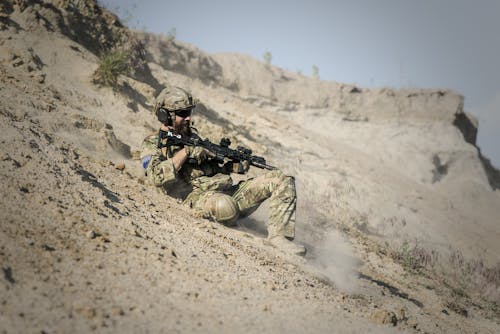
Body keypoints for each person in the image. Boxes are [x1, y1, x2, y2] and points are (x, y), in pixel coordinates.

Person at [140, 85, 306, 256]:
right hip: (198, 198)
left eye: (189, 112)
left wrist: (229, 167)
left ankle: (280, 237)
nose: (188, 118)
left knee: (282, 179)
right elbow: (155, 177)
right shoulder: (152, 143)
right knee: (225, 206)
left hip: (226, 192)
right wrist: (186, 152)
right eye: (182, 113)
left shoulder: (193, 137)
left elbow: (206, 171)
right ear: (165, 115)